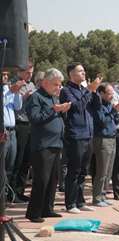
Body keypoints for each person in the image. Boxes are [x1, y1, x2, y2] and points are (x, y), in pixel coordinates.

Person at [25, 68, 70, 222]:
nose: (59, 87)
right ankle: (34, 212)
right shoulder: (36, 97)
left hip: (56, 143)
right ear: (45, 82)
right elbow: (35, 118)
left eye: (60, 85)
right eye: (56, 84)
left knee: (53, 179)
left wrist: (62, 110)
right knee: (41, 180)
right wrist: (54, 110)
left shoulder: (53, 97)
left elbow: (54, 117)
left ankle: (47, 209)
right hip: (43, 145)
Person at [60, 63, 102, 213]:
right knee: (74, 169)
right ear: (71, 74)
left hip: (89, 134)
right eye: (80, 71)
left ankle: (80, 201)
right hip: (76, 134)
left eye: (84, 70)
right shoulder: (66, 91)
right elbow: (77, 107)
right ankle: (70, 203)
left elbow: (96, 107)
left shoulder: (85, 90)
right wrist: (89, 90)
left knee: (84, 170)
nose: (84, 73)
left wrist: (94, 91)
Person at [92, 83, 119, 206]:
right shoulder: (98, 105)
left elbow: (115, 121)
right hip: (102, 139)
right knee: (102, 170)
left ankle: (103, 195)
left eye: (112, 93)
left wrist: (116, 112)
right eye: (109, 93)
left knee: (109, 170)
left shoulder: (110, 105)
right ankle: (97, 197)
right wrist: (114, 111)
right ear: (102, 93)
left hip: (112, 138)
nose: (111, 96)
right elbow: (102, 121)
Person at [12, 62, 36, 202]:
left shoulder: (31, 85)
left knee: (27, 160)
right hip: (19, 123)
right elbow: (14, 105)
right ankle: (12, 192)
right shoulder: (14, 83)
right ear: (20, 71)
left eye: (31, 72)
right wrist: (25, 96)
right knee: (18, 159)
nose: (30, 75)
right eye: (27, 72)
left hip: (30, 124)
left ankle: (20, 191)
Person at [2, 71, 23, 203]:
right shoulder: (6, 91)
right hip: (2, 132)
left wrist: (16, 92)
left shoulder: (8, 89)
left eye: (6, 74)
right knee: (1, 166)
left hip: (12, 132)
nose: (5, 77)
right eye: (3, 74)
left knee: (10, 165)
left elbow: (18, 106)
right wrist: (10, 91)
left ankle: (6, 195)